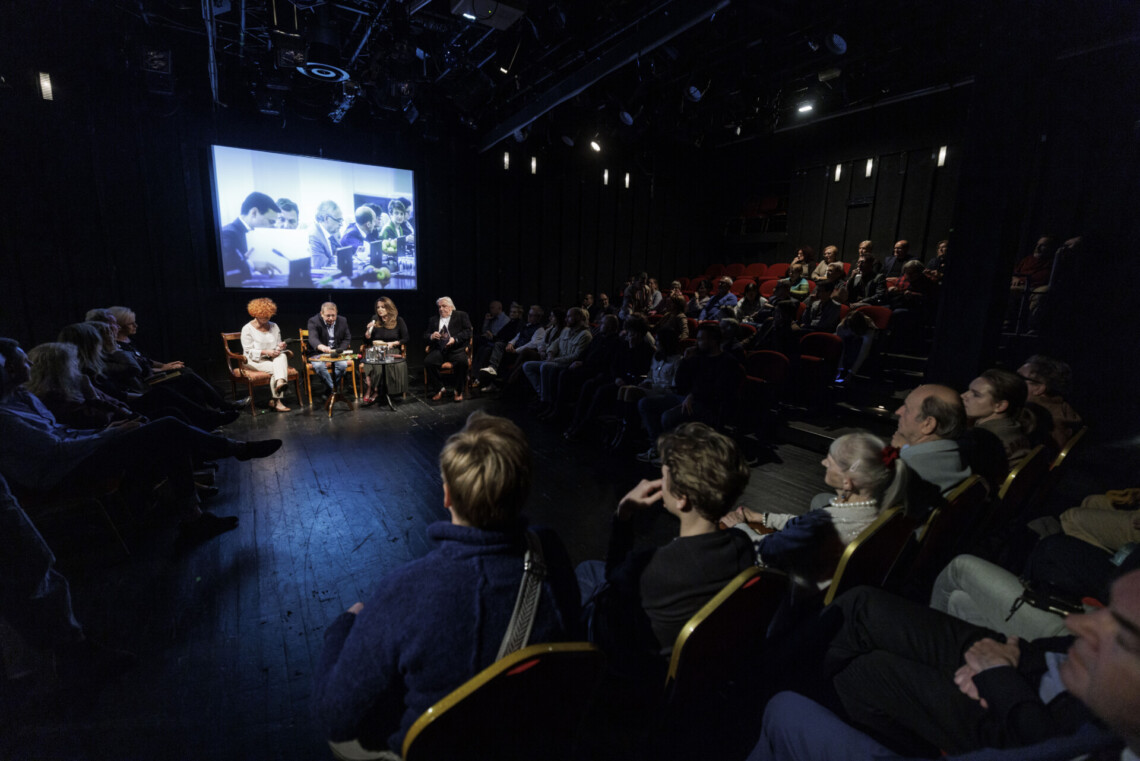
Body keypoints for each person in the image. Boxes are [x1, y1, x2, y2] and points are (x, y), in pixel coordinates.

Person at [312, 412, 580, 758]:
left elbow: (334, 717)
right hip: (531, 737)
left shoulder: (407, 589)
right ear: (523, 489)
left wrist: (344, 625)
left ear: (447, 495)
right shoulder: (549, 550)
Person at [748, 572, 1140, 761]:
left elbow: (1039, 741)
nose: (1079, 620)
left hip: (1019, 712)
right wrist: (1010, 656)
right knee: (863, 613)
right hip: (1024, 668)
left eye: (1121, 632)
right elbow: (1065, 640)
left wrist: (999, 680)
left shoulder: (1098, 746)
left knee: (785, 707)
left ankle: (760, 689)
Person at [0, 338, 282, 548]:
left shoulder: (22, 398)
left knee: (167, 431)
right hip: (60, 476)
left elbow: (62, 434)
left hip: (79, 453)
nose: (30, 364)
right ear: (9, 369)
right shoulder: (7, 416)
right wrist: (110, 433)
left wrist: (112, 429)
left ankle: (194, 514)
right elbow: (57, 451)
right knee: (167, 426)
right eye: (23, 361)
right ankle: (233, 451)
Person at [577, 422, 754, 664]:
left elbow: (613, 577)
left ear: (682, 498)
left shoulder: (651, 566)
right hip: (690, 662)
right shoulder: (742, 546)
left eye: (663, 475)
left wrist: (623, 515)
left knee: (585, 572)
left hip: (629, 662)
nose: (660, 479)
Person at [723, 431, 908, 581]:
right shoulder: (880, 511)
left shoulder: (822, 525)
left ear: (847, 483)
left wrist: (738, 525)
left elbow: (763, 552)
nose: (823, 462)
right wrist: (764, 518)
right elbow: (804, 526)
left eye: (830, 461)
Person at [106, 305, 250, 413]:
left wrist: (165, 365)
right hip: (149, 380)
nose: (136, 326)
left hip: (154, 373)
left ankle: (212, 414)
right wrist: (164, 369)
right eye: (131, 323)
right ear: (119, 326)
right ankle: (223, 406)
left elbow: (147, 361)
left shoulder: (127, 341)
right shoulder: (116, 348)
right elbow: (140, 370)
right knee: (186, 374)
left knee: (189, 379)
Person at [891, 384, 972, 513]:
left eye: (906, 408)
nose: (898, 412)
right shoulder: (955, 453)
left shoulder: (905, 469)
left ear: (928, 424)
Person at [961, 368, 1033, 473]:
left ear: (999, 406)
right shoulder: (1015, 426)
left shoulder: (980, 439)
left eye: (976, 394)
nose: (963, 396)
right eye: (968, 390)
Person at [522, 307, 593, 409]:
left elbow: (575, 356)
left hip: (566, 364)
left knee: (545, 366)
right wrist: (550, 352)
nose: (566, 319)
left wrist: (553, 359)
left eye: (569, 317)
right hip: (556, 361)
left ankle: (545, 401)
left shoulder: (585, 335)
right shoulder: (566, 330)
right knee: (527, 366)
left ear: (578, 317)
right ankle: (542, 394)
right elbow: (555, 343)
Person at [1018, 355, 1082, 448]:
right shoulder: (1064, 408)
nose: (1012, 381)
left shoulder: (1034, 420)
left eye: (1019, 378)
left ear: (1038, 388)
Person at [219, 191, 281, 286]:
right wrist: (252, 265)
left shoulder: (245, 233)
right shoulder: (228, 234)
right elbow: (226, 271)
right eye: (271, 221)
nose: (271, 226)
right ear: (254, 213)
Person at [241, 297, 291, 412]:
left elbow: (277, 345)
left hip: (270, 358)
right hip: (253, 361)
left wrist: (280, 347)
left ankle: (279, 385)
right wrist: (265, 352)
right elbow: (248, 351)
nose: (267, 318)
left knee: (282, 356)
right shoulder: (247, 329)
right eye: (264, 316)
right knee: (278, 370)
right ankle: (277, 401)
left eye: (269, 316)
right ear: (256, 314)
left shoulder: (274, 326)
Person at [360, 297, 410, 407]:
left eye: (383, 307)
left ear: (389, 307)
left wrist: (393, 343)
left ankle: (375, 390)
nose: (379, 309)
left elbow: (406, 338)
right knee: (370, 362)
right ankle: (370, 387)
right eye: (378, 307)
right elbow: (366, 340)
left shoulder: (398, 320)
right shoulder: (375, 319)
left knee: (378, 366)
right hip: (376, 349)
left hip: (391, 349)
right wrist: (367, 332)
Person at [423, 296, 472, 402]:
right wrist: (432, 335)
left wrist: (455, 339)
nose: (441, 309)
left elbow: (468, 332)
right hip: (440, 350)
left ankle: (458, 391)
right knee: (428, 362)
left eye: (444, 306)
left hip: (456, 349)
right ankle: (439, 388)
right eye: (439, 307)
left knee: (463, 362)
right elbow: (425, 335)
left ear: (451, 307)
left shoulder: (461, 315)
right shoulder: (433, 319)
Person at [306, 302, 352, 404]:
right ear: (321, 313)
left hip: (335, 354)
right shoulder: (313, 321)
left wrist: (340, 350)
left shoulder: (342, 320)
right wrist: (321, 347)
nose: (331, 318)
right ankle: (334, 390)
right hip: (318, 352)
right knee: (319, 366)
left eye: (333, 315)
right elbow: (312, 338)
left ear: (336, 313)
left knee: (343, 365)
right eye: (328, 316)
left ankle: (329, 391)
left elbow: (347, 338)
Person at [309, 201, 344, 268]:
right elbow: (322, 267)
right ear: (326, 219)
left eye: (341, 220)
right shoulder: (314, 237)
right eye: (338, 220)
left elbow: (342, 256)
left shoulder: (333, 233)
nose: (341, 224)